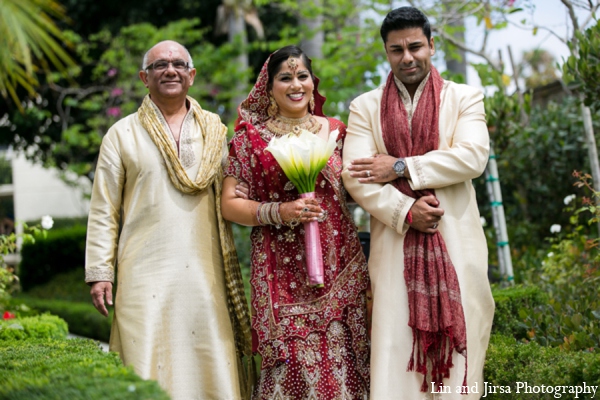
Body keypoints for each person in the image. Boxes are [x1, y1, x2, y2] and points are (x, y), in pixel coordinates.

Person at [84, 40, 252, 400]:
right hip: (142, 273)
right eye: (160, 66)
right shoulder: (122, 134)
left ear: (192, 76)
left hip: (205, 272)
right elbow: (104, 209)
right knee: (144, 358)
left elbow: (235, 194)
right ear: (144, 78)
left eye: (178, 64)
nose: (170, 70)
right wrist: (100, 271)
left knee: (209, 364)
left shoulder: (215, 132)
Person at [342, 7, 495, 400]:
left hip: (457, 241)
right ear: (386, 53)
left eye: (414, 47)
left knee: (460, 358)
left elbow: (471, 157)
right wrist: (406, 211)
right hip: (395, 246)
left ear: (431, 45)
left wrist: (398, 166)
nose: (406, 57)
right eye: (396, 50)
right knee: (395, 348)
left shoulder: (464, 97)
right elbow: (356, 175)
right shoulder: (365, 106)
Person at [221, 45, 370, 399]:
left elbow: (358, 188)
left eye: (302, 76)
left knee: (349, 361)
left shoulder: (337, 132)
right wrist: (279, 212)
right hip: (281, 276)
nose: (295, 84)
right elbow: (229, 205)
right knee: (292, 366)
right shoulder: (249, 141)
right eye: (285, 78)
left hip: (340, 269)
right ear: (268, 87)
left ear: (312, 82)